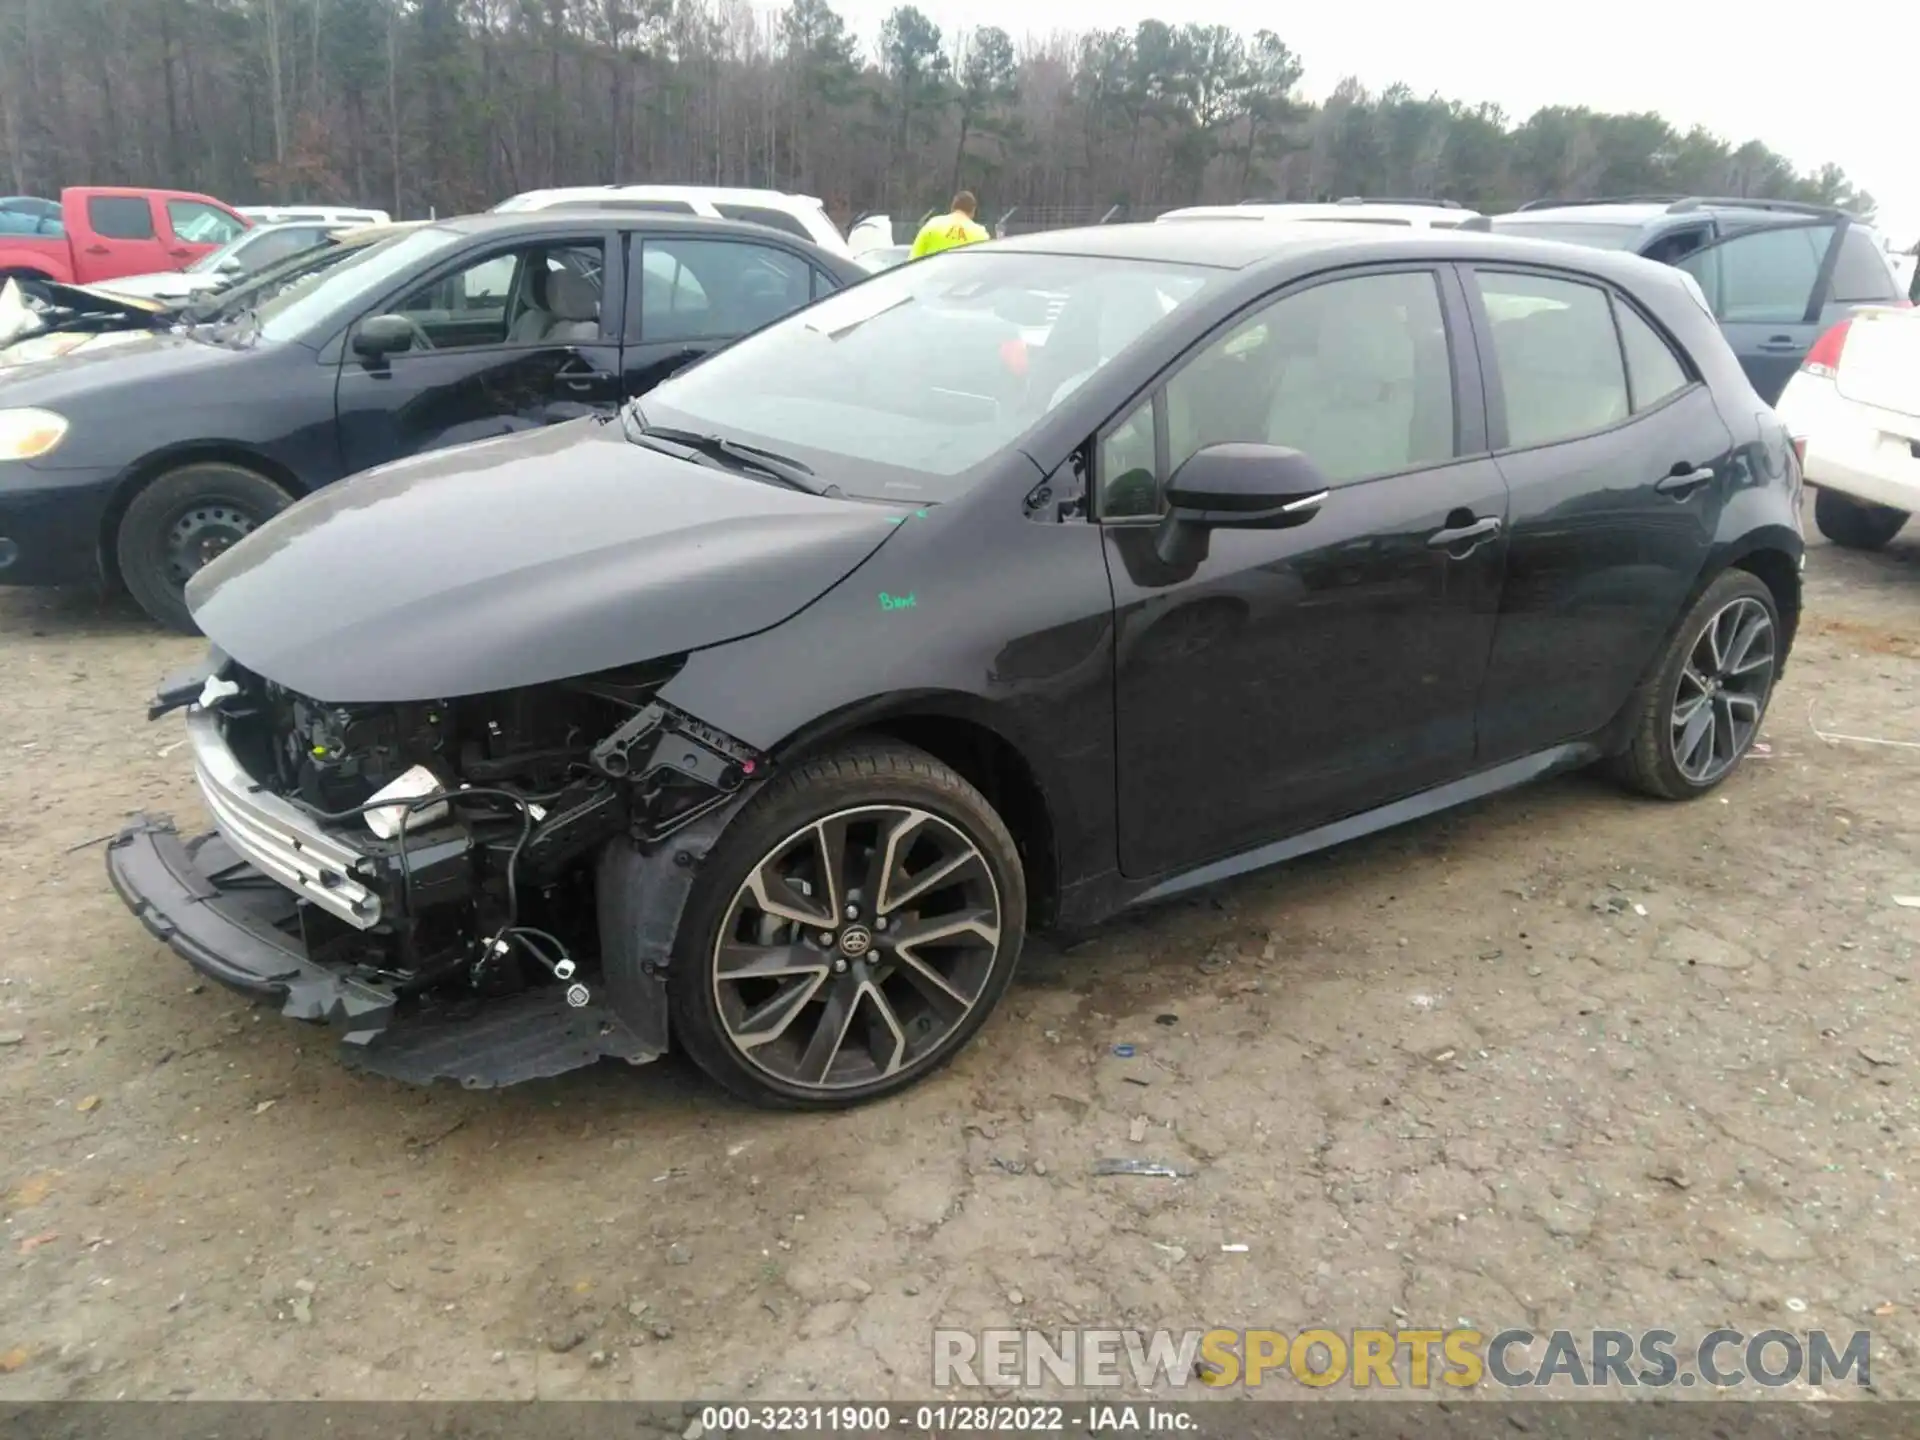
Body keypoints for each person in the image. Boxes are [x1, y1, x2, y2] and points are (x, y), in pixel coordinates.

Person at [909, 191, 990, 260]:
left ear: (952, 207)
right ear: (973, 211)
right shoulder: (981, 234)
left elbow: (912, 260)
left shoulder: (933, 224)